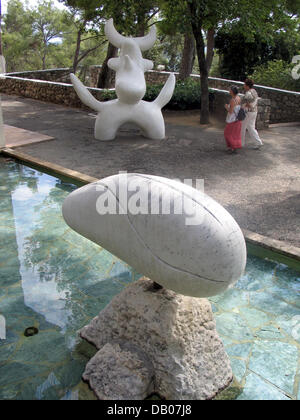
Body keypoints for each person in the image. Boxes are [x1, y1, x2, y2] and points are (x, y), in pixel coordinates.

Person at [241, 78, 263, 149]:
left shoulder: (248, 93)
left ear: (247, 86)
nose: (244, 85)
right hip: (254, 111)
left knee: (242, 127)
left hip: (248, 112)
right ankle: (258, 142)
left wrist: (243, 106)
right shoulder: (254, 91)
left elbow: (248, 104)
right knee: (251, 127)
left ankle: (241, 143)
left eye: (244, 84)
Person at [224, 86, 242, 154]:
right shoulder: (238, 98)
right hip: (237, 119)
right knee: (235, 134)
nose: (229, 91)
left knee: (227, 133)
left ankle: (232, 147)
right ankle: (233, 147)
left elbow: (230, 111)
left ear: (232, 91)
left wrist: (226, 107)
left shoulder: (232, 100)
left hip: (232, 119)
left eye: (230, 90)